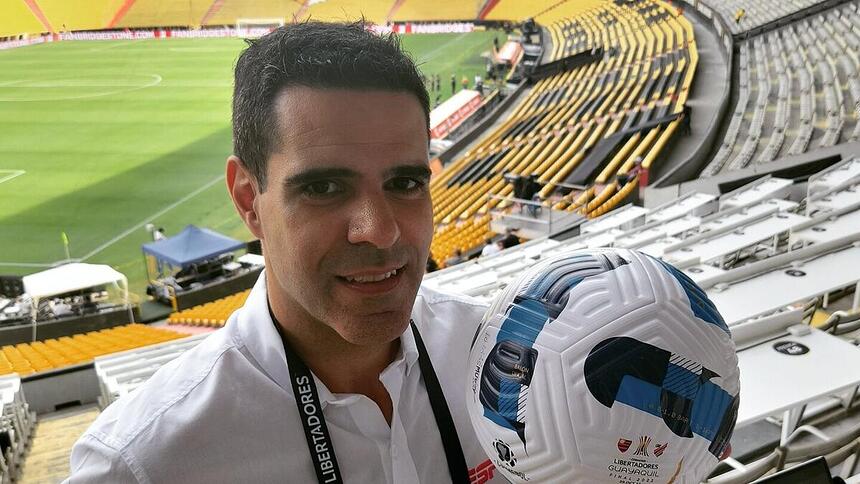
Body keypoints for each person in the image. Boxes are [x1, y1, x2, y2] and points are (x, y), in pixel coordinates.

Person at [66, 21, 504, 483]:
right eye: (323, 187)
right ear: (247, 199)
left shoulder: (510, 354)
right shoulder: (142, 463)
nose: (379, 231)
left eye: (406, 183)